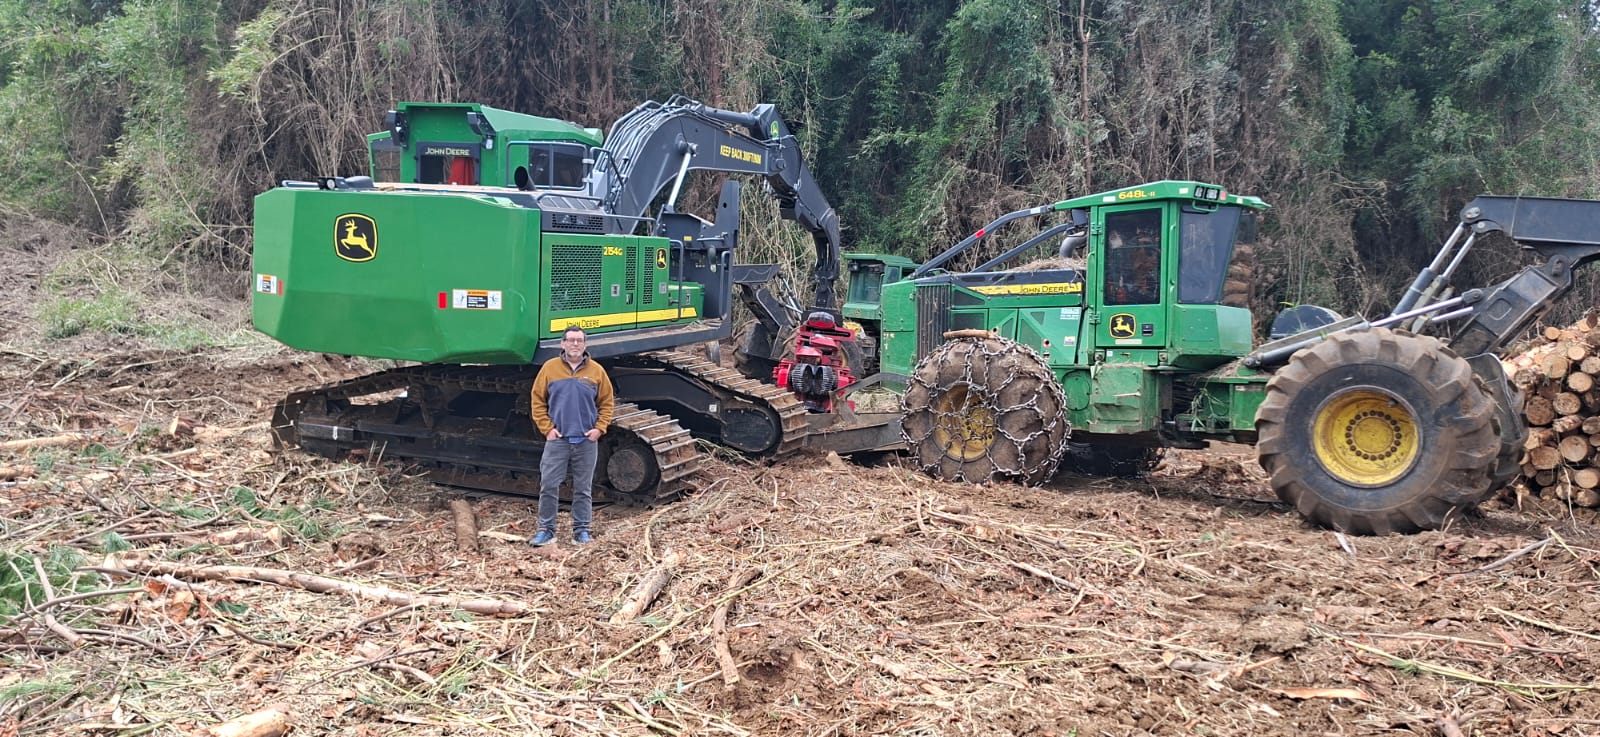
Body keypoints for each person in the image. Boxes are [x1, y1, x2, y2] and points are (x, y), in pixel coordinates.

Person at [529, 325, 614, 546]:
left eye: (579, 340)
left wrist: (599, 429)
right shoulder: (550, 368)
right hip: (558, 440)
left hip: (586, 441)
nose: (575, 344)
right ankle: (546, 530)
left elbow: (607, 403)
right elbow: (537, 400)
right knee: (548, 485)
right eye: (570, 340)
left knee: (583, 488)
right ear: (562, 344)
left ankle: (581, 531)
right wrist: (547, 428)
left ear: (585, 344)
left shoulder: (596, 371)